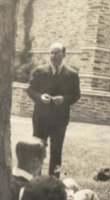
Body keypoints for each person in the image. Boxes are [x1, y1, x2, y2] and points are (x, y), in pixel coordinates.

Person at [27, 42, 81, 178]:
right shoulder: (40, 70)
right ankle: (36, 178)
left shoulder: (72, 74)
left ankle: (54, 179)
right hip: (41, 118)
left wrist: (63, 99)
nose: (54, 56)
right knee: (37, 150)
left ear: (64, 54)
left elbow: (76, 95)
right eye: (52, 52)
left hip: (60, 120)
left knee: (57, 151)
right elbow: (30, 90)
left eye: (57, 53)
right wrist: (40, 97)